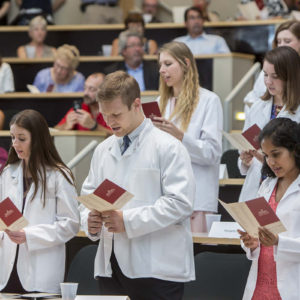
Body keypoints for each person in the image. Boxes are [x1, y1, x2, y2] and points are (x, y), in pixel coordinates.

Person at [79, 71, 195, 300]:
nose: (110, 122)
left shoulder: (168, 147)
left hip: (156, 267)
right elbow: (88, 195)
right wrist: (89, 221)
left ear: (136, 104)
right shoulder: (103, 150)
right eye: (105, 115)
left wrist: (128, 221)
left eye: (116, 114)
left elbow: (181, 203)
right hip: (110, 265)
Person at [0, 109, 80, 293]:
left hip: (40, 272)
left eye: (21, 138)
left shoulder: (59, 175)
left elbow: (71, 224)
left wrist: (29, 235)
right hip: (6, 269)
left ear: (37, 139)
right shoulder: (8, 172)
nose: (15, 144)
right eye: (12, 137)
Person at [153, 41, 223, 232]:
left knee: (196, 257)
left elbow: (212, 153)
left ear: (185, 64)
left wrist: (180, 136)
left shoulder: (209, 100)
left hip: (197, 198)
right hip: (164, 197)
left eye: (168, 64)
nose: (162, 70)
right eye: (160, 65)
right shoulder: (160, 103)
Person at [239, 117, 300, 300]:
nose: (271, 162)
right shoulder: (266, 185)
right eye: (266, 156)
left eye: (276, 154)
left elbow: (278, 241)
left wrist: (278, 242)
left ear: (295, 149)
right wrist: (250, 242)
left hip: (292, 285)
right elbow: (255, 232)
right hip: (260, 286)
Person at [238, 46, 300, 203]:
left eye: (275, 76)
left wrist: (267, 158)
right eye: (265, 75)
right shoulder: (258, 107)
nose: (268, 81)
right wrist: (245, 159)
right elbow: (246, 145)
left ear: (290, 76)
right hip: (257, 186)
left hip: (289, 190)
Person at [244, 20, 300, 116]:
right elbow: (254, 98)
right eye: (279, 41)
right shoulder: (269, 68)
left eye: (287, 41)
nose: (281, 45)